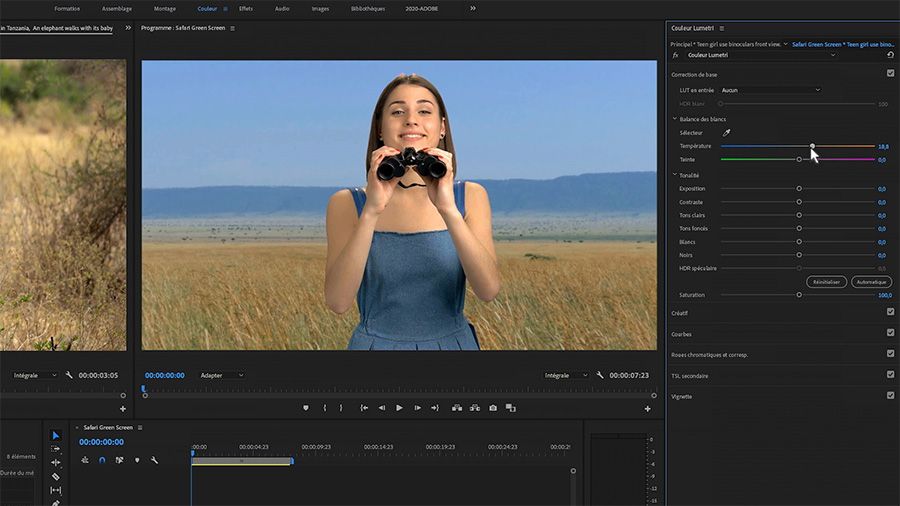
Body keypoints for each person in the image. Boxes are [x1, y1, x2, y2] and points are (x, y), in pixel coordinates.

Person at [324, 73, 500, 350]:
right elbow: (337, 302)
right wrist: (371, 211)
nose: (411, 119)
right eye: (397, 111)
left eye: (424, 110)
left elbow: (488, 290)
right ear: (380, 128)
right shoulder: (347, 203)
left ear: (442, 127)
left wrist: (447, 208)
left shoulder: (469, 197)